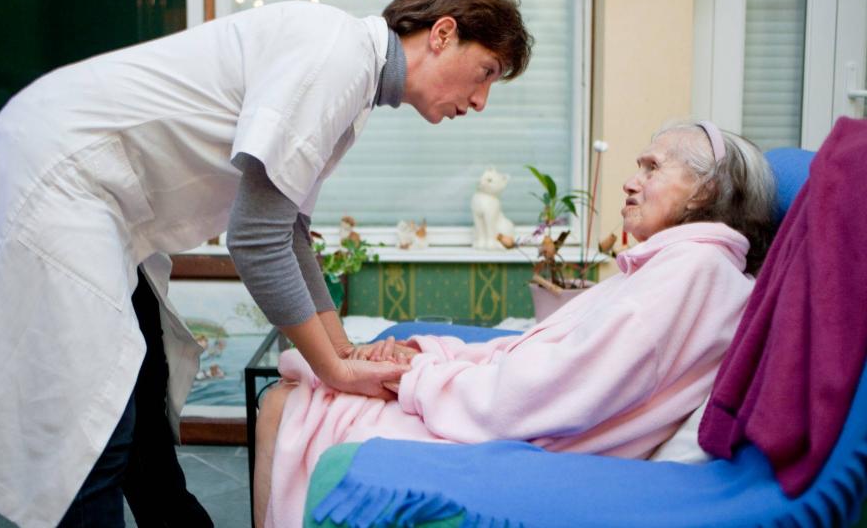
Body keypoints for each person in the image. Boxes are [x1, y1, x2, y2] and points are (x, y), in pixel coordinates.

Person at [0, 0, 532, 528]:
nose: (481, 101)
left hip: (100, 196)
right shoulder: (338, 57)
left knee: (142, 399)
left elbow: (289, 232)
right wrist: (336, 372)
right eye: (486, 73)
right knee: (93, 430)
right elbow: (255, 239)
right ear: (442, 34)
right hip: (61, 174)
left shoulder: (351, 77)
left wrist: (344, 347)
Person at [254, 120, 777, 528]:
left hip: (528, 449)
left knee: (288, 403)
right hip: (509, 419)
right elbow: (537, 355)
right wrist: (425, 355)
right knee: (307, 388)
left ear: (704, 191)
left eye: (652, 167)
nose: (630, 180)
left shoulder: (693, 271)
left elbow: (555, 390)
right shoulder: (678, 266)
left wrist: (414, 379)